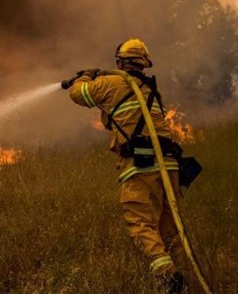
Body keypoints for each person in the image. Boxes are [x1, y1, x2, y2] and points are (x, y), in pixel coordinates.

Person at [67, 38, 187, 294]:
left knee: (141, 223)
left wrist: (84, 76)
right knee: (167, 226)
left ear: (119, 62)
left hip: (140, 166)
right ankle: (175, 274)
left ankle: (169, 280)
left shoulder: (112, 82)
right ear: (144, 64)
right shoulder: (150, 89)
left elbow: (79, 94)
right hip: (169, 166)